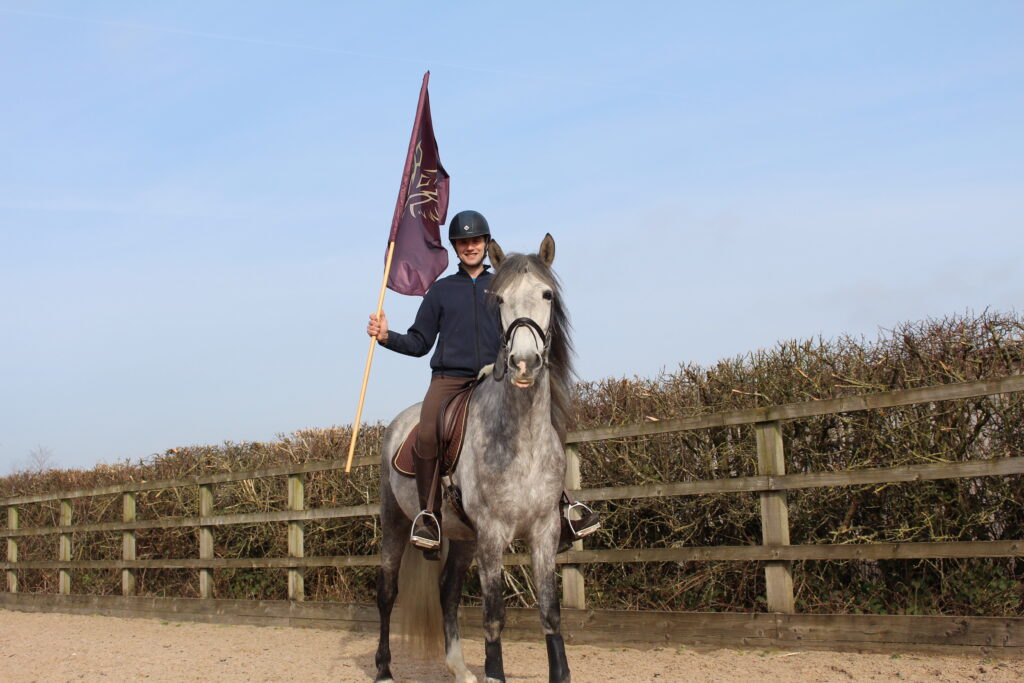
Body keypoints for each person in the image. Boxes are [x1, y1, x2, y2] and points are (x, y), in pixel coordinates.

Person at [367, 210, 598, 557]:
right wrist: (387, 337)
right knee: (428, 430)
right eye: (463, 242)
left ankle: (562, 505)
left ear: (487, 245)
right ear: (456, 247)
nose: (470, 247)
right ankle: (429, 515)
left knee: (545, 422)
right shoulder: (441, 291)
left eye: (476, 241)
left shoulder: (503, 286)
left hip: (496, 377)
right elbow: (419, 342)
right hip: (450, 379)